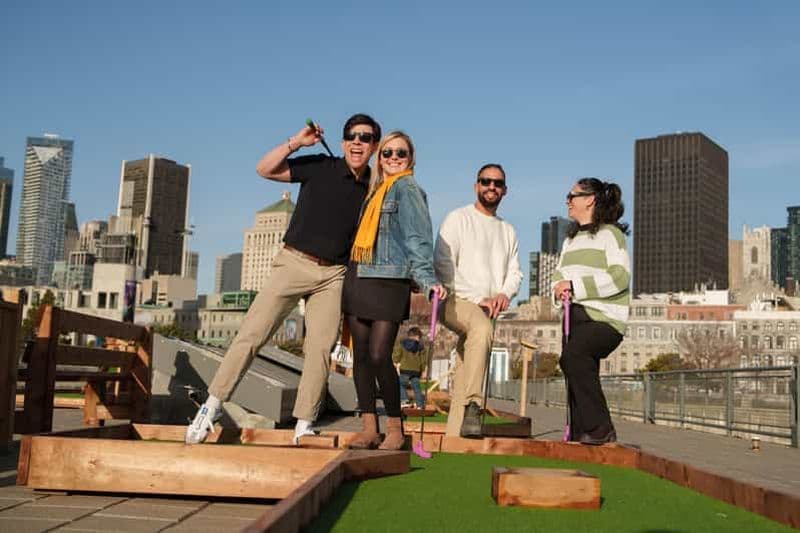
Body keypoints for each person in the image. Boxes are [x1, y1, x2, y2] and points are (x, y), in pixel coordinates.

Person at [185, 114, 381, 444]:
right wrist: (296, 142)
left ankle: (304, 424)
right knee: (252, 334)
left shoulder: (373, 186)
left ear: (375, 145)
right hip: (294, 262)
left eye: (366, 137)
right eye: (351, 136)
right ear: (344, 141)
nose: (357, 142)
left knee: (320, 348)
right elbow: (265, 169)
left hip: (333, 275)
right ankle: (212, 406)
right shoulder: (321, 164)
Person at [342, 131, 447, 450]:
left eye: (400, 153)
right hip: (359, 276)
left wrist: (428, 282)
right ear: (380, 157)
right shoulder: (375, 191)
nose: (393, 158)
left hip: (389, 281)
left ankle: (395, 428)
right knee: (359, 356)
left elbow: (418, 238)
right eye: (387, 153)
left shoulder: (408, 189)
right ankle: (369, 428)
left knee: (378, 355)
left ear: (411, 158)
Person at [434, 164, 523, 438]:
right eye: (486, 181)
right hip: (455, 300)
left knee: (467, 362)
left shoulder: (508, 230)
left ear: (504, 190)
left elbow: (515, 272)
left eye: (497, 183)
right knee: (482, 330)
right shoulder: (458, 218)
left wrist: (503, 294)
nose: (491, 187)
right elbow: (442, 263)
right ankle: (475, 402)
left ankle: (454, 438)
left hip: (487, 309)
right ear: (476, 186)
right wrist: (478, 298)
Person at [552, 177, 630, 445]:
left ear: (590, 199)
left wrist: (574, 286)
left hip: (605, 319)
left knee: (573, 357)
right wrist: (558, 289)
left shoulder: (611, 234)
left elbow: (620, 277)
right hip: (573, 317)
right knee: (575, 369)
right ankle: (579, 434)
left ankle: (601, 428)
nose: (568, 201)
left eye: (572, 195)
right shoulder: (570, 240)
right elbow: (559, 274)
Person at [393, 326, 427, 409]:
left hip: (404, 370)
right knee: (417, 387)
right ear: (417, 336)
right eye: (420, 337)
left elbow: (397, 355)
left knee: (401, 384)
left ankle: (405, 400)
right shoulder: (421, 347)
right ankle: (420, 405)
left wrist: (395, 361)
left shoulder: (402, 343)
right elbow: (423, 360)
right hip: (416, 371)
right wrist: (423, 370)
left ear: (409, 335)